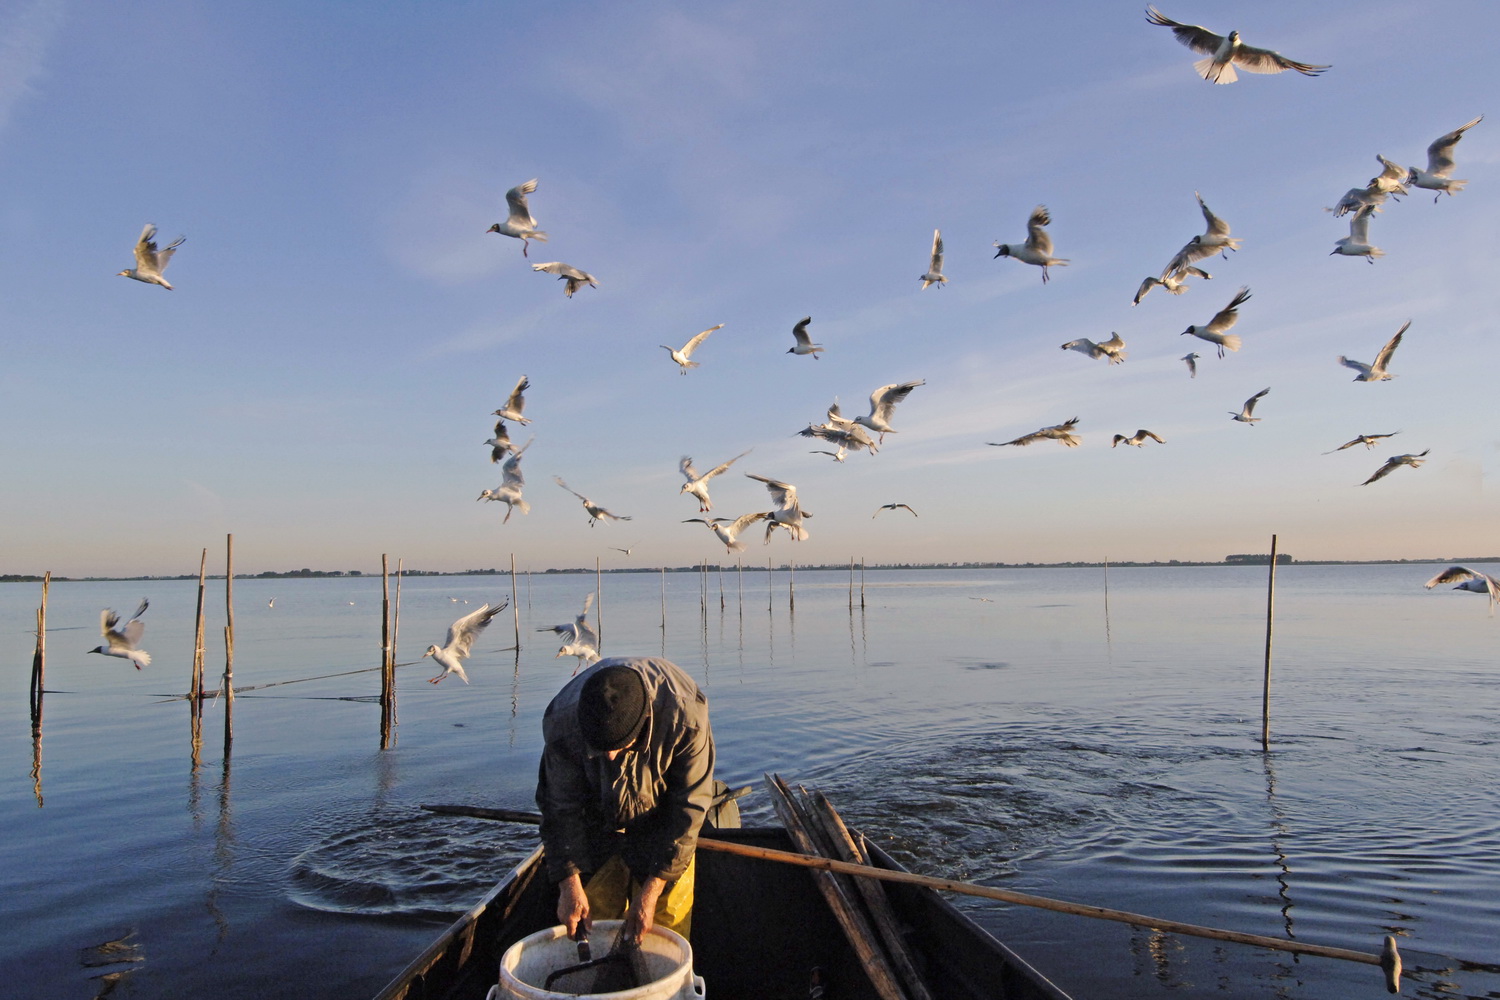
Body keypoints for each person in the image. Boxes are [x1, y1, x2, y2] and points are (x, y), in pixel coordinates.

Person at [536, 656, 715, 944]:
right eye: (600, 749)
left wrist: (652, 890)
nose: (609, 758)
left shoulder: (686, 718)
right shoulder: (562, 724)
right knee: (593, 918)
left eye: (620, 747)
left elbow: (689, 808)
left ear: (643, 723)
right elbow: (559, 808)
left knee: (663, 926)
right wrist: (568, 883)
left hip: (663, 812)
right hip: (597, 815)